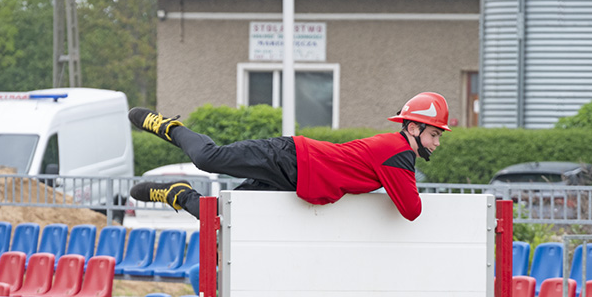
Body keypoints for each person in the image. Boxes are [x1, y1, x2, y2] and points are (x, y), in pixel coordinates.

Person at [128, 92, 451, 221]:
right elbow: (411, 210)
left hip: (296, 180)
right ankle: (170, 128)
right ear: (412, 128)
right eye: (434, 134)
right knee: (208, 159)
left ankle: (178, 194)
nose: (437, 142)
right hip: (291, 157)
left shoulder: (395, 151)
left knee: (225, 221)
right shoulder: (398, 153)